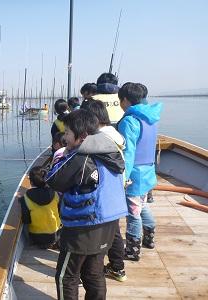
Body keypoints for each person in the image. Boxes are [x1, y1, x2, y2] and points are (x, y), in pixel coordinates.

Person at [46, 109, 128, 300]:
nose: (65, 138)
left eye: (67, 133)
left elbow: (53, 180)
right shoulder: (111, 151)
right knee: (94, 273)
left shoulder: (81, 158)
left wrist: (66, 153)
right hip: (108, 223)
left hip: (82, 229)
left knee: (66, 277)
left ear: (82, 136)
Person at [117, 82, 162, 261]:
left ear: (126, 100)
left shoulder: (130, 121)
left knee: (133, 212)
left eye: (120, 100)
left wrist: (123, 177)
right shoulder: (150, 117)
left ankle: (132, 250)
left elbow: (127, 153)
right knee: (142, 206)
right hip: (148, 171)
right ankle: (149, 238)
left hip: (134, 174)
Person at [84, 100, 127, 282]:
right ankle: (117, 267)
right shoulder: (115, 134)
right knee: (113, 230)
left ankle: (96, 271)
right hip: (117, 188)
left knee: (103, 232)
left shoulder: (99, 139)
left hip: (104, 191)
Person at [18, 166, 61, 249]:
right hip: (56, 235)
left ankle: (31, 243)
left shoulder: (26, 198)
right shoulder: (55, 194)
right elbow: (60, 212)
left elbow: (26, 220)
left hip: (36, 238)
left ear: (31, 182)